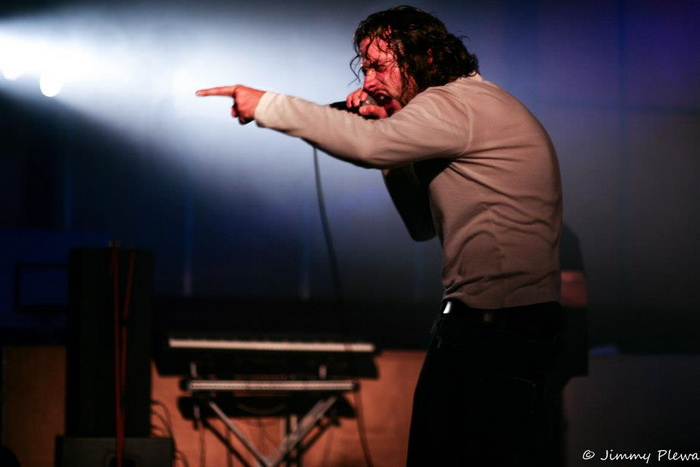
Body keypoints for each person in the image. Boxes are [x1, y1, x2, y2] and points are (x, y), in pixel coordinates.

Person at [197, 5, 564, 465]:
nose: (368, 81)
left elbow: (367, 147)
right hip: (494, 327)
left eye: (379, 66)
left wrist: (268, 104)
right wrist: (391, 132)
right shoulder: (468, 105)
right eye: (365, 68)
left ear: (428, 57)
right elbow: (420, 225)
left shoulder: (454, 102)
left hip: (494, 331)